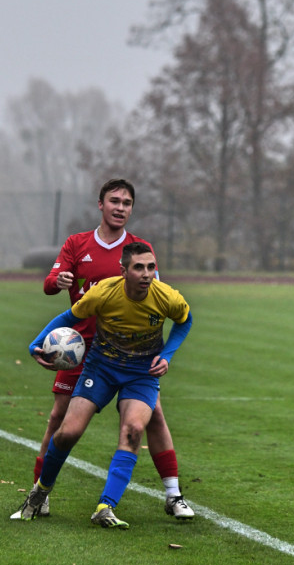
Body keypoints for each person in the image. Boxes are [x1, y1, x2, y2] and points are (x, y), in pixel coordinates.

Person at [11, 178, 194, 520]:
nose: (121, 208)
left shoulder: (140, 250)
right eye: (115, 201)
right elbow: (52, 286)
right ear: (101, 204)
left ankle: (172, 494)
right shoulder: (78, 244)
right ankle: (40, 493)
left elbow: (161, 301)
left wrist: (163, 353)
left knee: (149, 419)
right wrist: (60, 281)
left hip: (134, 354)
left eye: (127, 203)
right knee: (61, 424)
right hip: (78, 349)